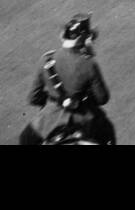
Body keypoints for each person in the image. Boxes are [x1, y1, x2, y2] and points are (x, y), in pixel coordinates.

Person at [21, 15, 116, 145]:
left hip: (48, 121)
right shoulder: (89, 63)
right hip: (84, 120)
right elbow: (102, 98)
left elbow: (33, 98)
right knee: (108, 132)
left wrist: (51, 101)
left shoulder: (46, 60)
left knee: (25, 139)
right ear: (83, 38)